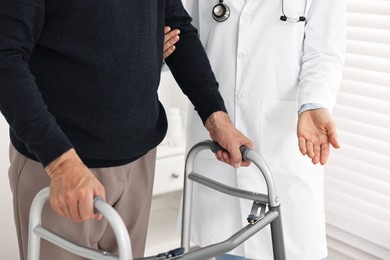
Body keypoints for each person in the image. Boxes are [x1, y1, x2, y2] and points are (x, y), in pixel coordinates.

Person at [0, 1, 252, 259]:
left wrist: (216, 117)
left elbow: (177, 28)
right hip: (65, 166)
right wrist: (60, 162)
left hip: (138, 161)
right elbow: (6, 58)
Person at [182, 0, 346, 259]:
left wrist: (315, 103)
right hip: (217, 137)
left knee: (287, 247)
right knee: (227, 246)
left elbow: (324, 52)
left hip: (281, 142)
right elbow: (181, 37)